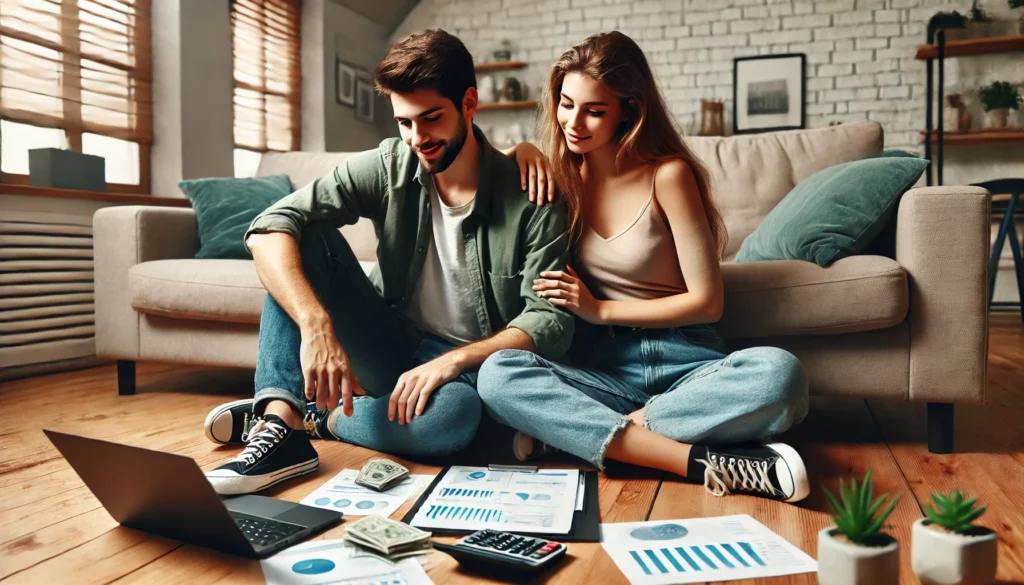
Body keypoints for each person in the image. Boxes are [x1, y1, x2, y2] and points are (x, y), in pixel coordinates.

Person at [201, 29, 572, 496]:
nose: (418, 138)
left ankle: (315, 418)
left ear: (469, 103)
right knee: (303, 234)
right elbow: (270, 224)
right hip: (390, 344)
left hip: (471, 369)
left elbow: (549, 318)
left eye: (432, 118)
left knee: (453, 417)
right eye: (404, 122)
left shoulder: (532, 195)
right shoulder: (390, 164)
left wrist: (455, 360)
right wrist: (317, 325)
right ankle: (280, 423)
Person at [476, 31, 811, 503]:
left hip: (689, 366)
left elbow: (707, 302)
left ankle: (587, 435)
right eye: (566, 104)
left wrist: (601, 310)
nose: (573, 122)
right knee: (497, 374)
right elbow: (478, 185)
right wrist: (517, 154)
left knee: (781, 375)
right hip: (606, 372)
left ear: (629, 111)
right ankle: (686, 450)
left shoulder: (667, 175)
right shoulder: (558, 178)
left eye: (594, 110)